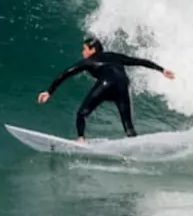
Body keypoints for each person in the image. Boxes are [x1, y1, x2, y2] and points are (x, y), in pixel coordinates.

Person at [37, 36, 175, 141]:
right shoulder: (115, 56)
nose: (83, 52)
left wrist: (49, 91)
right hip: (123, 84)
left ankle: (80, 139)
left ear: (92, 50)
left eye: (85, 49)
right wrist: (161, 70)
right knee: (128, 125)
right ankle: (134, 143)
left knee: (81, 114)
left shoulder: (89, 61)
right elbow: (139, 61)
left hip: (107, 83)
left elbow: (66, 73)